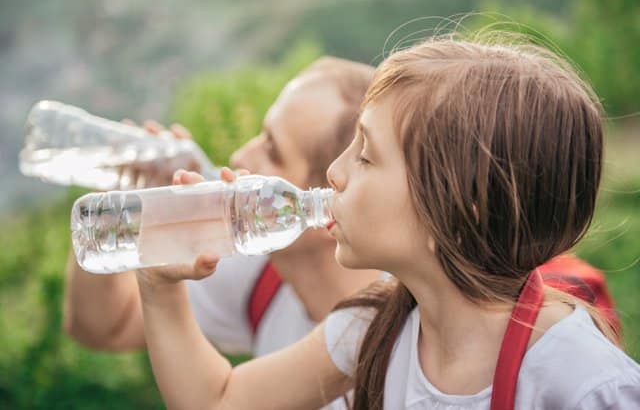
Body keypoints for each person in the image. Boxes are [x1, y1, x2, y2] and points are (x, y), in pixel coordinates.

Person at [136, 35, 640, 409]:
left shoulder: (580, 381)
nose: (334, 173)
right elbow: (219, 401)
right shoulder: (376, 325)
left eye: (366, 156)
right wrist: (159, 284)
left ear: (458, 206)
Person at [63, 56, 380, 361]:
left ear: (331, 209)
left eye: (271, 150)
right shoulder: (261, 275)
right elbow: (103, 328)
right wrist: (121, 192)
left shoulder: (395, 342)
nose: (241, 156)